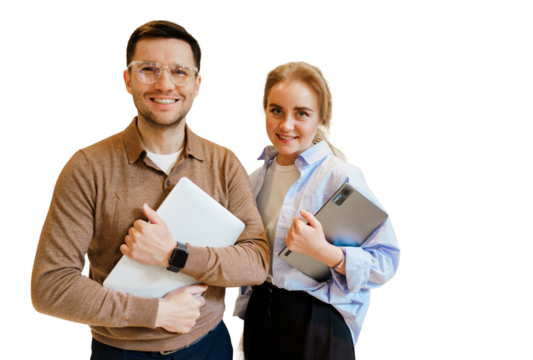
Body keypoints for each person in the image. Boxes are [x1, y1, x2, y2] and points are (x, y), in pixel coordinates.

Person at [30, 19, 269, 360]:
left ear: (198, 83)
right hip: (121, 351)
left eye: (179, 71)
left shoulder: (225, 162)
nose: (164, 84)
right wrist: (154, 312)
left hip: (208, 345)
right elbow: (49, 286)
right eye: (148, 70)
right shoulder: (87, 167)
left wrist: (175, 253)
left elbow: (256, 262)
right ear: (127, 79)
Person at [231, 60, 401, 360]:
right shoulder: (253, 179)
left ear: (320, 117)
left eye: (301, 114)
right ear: (264, 111)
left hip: (317, 323)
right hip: (261, 317)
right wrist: (244, 339)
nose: (286, 125)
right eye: (277, 110)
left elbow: (387, 262)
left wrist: (323, 251)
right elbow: (256, 271)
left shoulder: (341, 177)